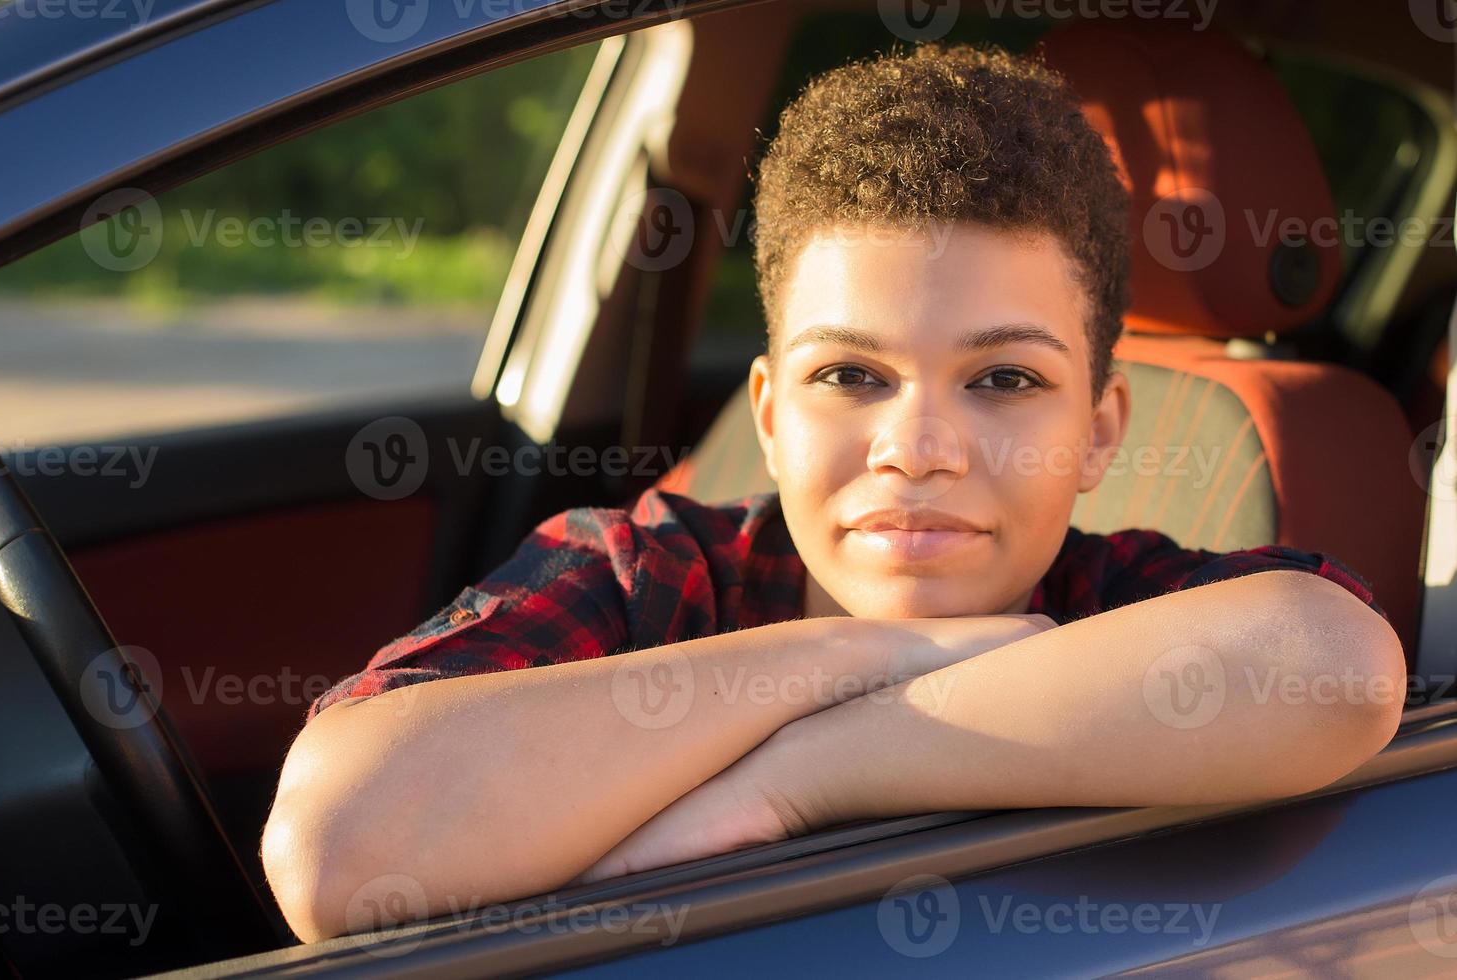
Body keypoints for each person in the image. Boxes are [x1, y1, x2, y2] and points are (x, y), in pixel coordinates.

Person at [260, 42, 1405, 944]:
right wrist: (871, 656)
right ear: (768, 412)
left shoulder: (1118, 607)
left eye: (1005, 378)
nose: (917, 447)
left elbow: (1335, 662)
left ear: (1098, 429)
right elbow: (340, 848)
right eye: (850, 374)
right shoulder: (642, 577)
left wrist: (799, 779)